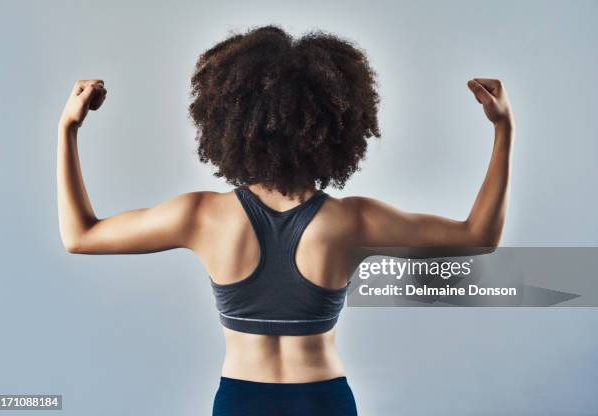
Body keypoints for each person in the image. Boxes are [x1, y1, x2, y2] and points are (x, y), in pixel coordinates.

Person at [56, 25, 514, 416]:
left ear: (228, 121)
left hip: (240, 399)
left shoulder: (201, 215)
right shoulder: (353, 222)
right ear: (338, 125)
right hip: (324, 399)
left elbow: (80, 236)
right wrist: (503, 128)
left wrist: (68, 129)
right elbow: (479, 236)